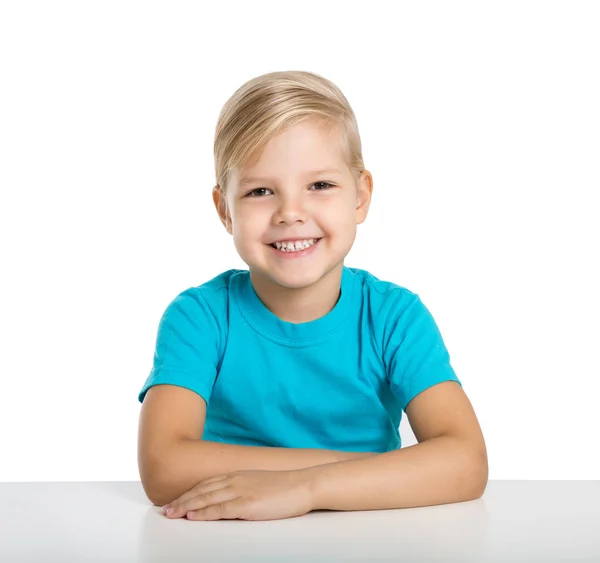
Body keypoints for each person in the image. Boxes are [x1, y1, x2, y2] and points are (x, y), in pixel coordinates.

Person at [137, 70, 488, 521]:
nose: (290, 213)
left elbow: (466, 462)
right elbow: (164, 468)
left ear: (361, 197)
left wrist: (303, 489)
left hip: (373, 535)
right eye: (260, 191)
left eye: (319, 185)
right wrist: (387, 473)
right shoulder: (200, 317)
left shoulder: (395, 316)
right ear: (225, 209)